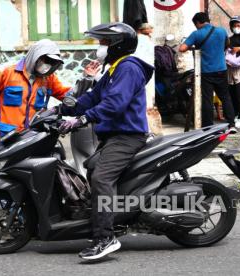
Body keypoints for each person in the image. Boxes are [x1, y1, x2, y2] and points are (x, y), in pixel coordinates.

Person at [59, 22, 154, 260]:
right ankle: (109, 221)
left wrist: (82, 119)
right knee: (92, 171)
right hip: (113, 136)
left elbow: (114, 104)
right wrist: (60, 110)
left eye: (103, 42)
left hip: (127, 136)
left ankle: (105, 238)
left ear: (116, 45)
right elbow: (92, 97)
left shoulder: (128, 68)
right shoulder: (113, 69)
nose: (99, 47)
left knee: (102, 178)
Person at [0, 39, 72, 152]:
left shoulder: (48, 78)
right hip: (3, 136)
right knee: (2, 169)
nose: (47, 64)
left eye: (51, 62)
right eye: (45, 59)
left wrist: (87, 80)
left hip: (31, 137)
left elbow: (67, 95)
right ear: (35, 55)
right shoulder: (5, 72)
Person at [179, 12, 237, 131]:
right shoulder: (221, 31)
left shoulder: (197, 33)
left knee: (207, 99)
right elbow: (227, 44)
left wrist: (192, 46)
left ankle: (208, 127)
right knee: (225, 97)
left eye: (195, 25)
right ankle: (231, 125)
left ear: (197, 23)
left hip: (206, 72)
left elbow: (182, 48)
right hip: (221, 69)